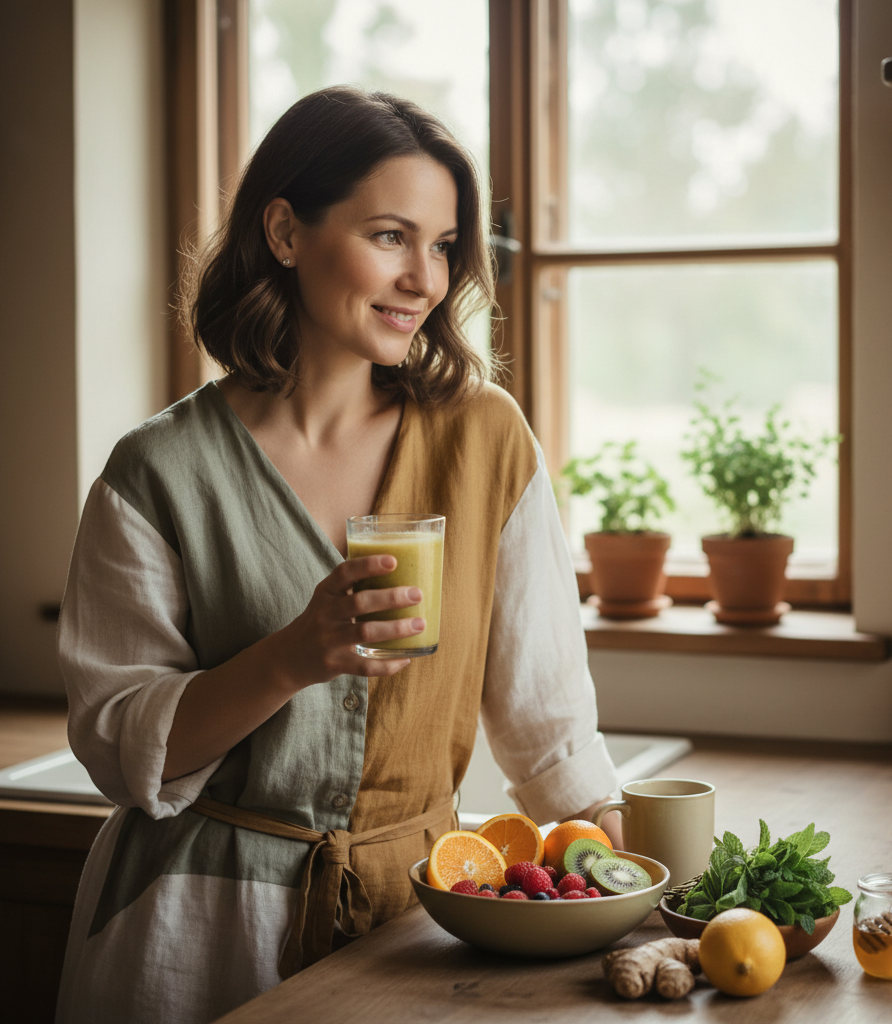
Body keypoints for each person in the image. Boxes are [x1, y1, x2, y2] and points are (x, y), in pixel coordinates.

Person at [54, 86, 619, 1024]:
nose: (425, 280)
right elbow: (119, 750)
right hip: (195, 929)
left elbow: (550, 733)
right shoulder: (156, 471)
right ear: (285, 230)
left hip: (414, 926)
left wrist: (643, 862)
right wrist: (291, 656)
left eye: (441, 247)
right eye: (391, 236)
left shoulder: (486, 441)